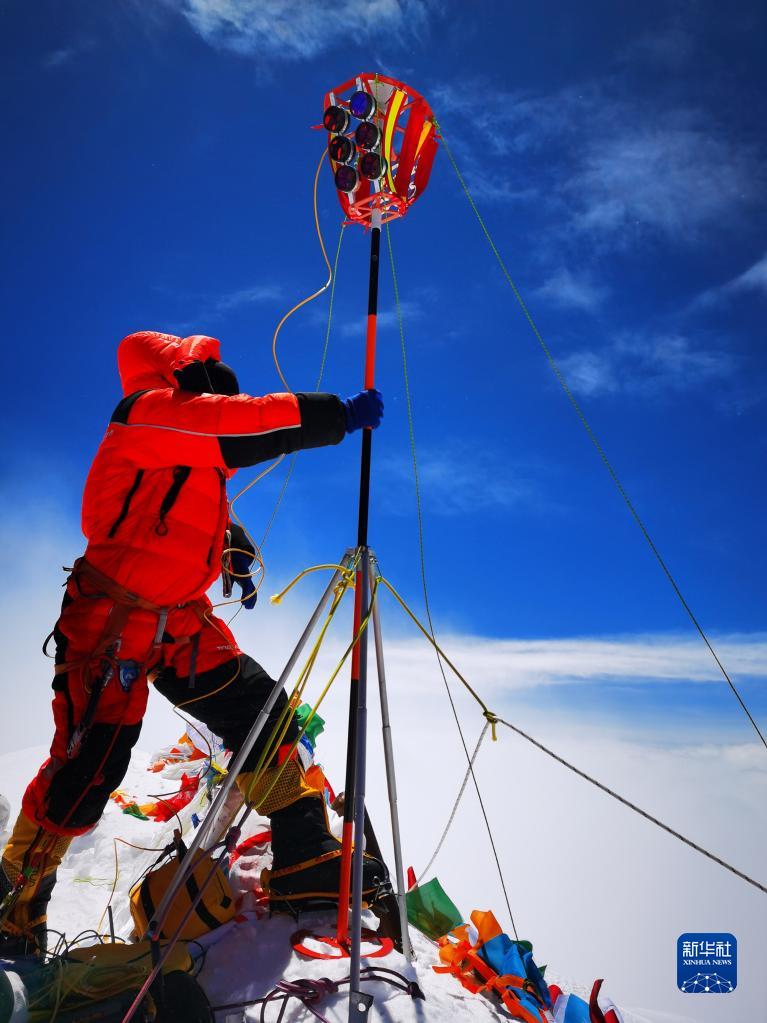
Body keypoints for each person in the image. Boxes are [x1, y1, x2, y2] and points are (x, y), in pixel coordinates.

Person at [0, 330, 386, 955]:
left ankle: (304, 855)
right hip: (112, 622)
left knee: (262, 712)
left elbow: (189, 496)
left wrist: (229, 545)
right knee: (88, 764)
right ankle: (16, 901)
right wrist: (333, 415)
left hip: (179, 618)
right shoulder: (144, 414)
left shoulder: (186, 440)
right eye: (208, 375)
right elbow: (231, 429)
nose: (219, 385)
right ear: (180, 374)